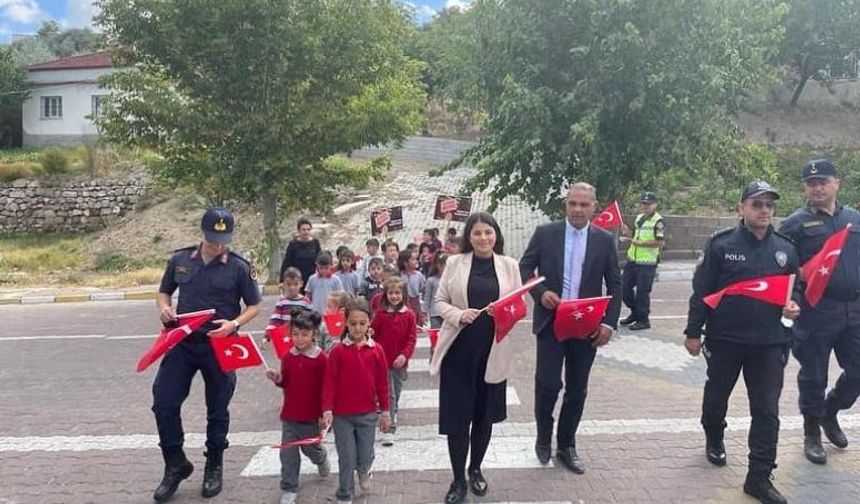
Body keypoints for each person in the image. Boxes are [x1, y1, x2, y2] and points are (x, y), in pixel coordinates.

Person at [685, 181, 800, 504]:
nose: (764, 210)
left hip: (769, 342)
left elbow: (796, 289)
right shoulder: (721, 245)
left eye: (769, 205)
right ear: (742, 208)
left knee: (766, 410)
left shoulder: (785, 248)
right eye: (756, 204)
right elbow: (702, 292)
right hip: (726, 339)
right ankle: (714, 435)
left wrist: (794, 305)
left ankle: (759, 477)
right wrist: (693, 332)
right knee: (717, 396)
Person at [151, 207, 261, 501]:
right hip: (184, 343)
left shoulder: (239, 266)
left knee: (217, 407)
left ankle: (214, 464)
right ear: (203, 233)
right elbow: (164, 292)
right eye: (213, 238)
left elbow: (254, 305)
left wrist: (234, 323)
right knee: (163, 401)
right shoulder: (180, 260)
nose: (218, 244)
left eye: (224, 239)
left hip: (220, 344)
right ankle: (175, 463)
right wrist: (164, 308)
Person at [519, 182, 621, 473]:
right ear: (566, 204)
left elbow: (615, 283)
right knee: (548, 383)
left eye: (583, 205)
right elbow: (525, 268)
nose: (577, 210)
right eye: (572, 204)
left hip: (586, 326)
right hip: (551, 322)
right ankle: (543, 437)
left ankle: (566, 445)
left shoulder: (603, 240)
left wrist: (609, 324)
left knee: (577, 389)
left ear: (594, 206)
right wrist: (540, 293)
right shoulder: (546, 233)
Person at [429, 212, 523, 504]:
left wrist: (504, 311)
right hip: (459, 353)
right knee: (458, 419)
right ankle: (457, 479)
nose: (483, 238)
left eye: (488, 232)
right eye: (477, 233)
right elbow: (438, 301)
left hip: (492, 352)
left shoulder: (509, 266)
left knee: (484, 416)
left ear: (496, 235)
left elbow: (520, 307)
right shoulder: (455, 263)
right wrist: (459, 314)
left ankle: (475, 469)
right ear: (469, 237)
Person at [778, 159, 860, 465]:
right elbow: (783, 267)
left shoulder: (855, 219)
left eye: (823, 181)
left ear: (837, 183)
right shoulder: (795, 224)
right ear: (805, 187)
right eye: (811, 183)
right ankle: (812, 433)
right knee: (813, 375)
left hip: (854, 308)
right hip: (815, 310)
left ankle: (830, 410)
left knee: (858, 371)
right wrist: (792, 296)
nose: (818, 187)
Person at [322, 299, 391, 503]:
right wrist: (327, 410)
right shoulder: (337, 351)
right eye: (353, 323)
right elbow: (329, 383)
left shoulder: (376, 350)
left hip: (368, 414)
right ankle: (344, 493)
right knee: (346, 457)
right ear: (346, 324)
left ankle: (364, 471)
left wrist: (385, 412)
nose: (358, 328)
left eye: (362, 323)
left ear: (369, 323)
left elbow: (383, 384)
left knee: (366, 454)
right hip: (342, 416)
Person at [265, 309, 330, 504]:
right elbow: (286, 383)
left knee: (310, 449)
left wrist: (323, 414)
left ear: (314, 335)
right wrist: (278, 378)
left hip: (311, 416)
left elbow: (326, 388)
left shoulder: (321, 359)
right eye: (295, 334)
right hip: (290, 415)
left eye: (304, 334)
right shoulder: (287, 357)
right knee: (288, 454)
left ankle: (321, 458)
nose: (299, 339)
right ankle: (289, 487)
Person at [370, 277, 418, 446]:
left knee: (396, 391)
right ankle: (387, 425)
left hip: (400, 362)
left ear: (403, 295)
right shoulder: (381, 315)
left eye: (397, 293)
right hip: (382, 362)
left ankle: (393, 411)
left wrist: (405, 355)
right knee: (387, 392)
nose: (394, 296)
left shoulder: (409, 315)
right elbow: (372, 333)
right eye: (391, 293)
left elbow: (412, 339)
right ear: (386, 295)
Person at [620, 191, 665, 330]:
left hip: (647, 263)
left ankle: (643, 320)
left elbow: (660, 242)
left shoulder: (658, 221)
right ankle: (635, 312)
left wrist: (641, 244)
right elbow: (636, 235)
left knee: (642, 292)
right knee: (623, 288)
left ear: (655, 205)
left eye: (649, 204)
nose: (645, 206)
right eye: (643, 203)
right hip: (633, 260)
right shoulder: (639, 218)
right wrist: (628, 233)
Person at [264, 267, 312, 343]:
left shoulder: (306, 302)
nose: (292, 287)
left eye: (295, 284)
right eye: (289, 284)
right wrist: (268, 334)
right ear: (284, 285)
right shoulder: (282, 302)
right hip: (285, 340)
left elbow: (311, 321)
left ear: (301, 284)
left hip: (301, 340)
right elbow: (275, 320)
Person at [279, 218, 322, 293]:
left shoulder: (315, 243)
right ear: (299, 231)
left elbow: (320, 260)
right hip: (296, 279)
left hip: (312, 278)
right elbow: (286, 262)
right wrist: (282, 281)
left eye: (308, 229)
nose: (306, 232)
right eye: (304, 230)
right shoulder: (293, 244)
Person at [306, 251, 344, 315]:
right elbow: (308, 295)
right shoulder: (312, 278)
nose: (323, 270)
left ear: (331, 266)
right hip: (315, 312)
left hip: (331, 312)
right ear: (317, 265)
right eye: (321, 268)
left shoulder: (336, 280)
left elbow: (341, 296)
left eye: (326, 268)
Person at [399, 249, 426, 325]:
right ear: (405, 263)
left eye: (416, 259)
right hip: (404, 303)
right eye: (413, 259)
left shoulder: (418, 275)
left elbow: (422, 290)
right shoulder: (400, 276)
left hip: (416, 303)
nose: (416, 261)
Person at [424, 253, 448, 330]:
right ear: (439, 266)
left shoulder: (450, 280)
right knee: (436, 332)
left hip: (447, 312)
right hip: (434, 313)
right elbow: (427, 297)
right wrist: (425, 312)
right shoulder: (431, 280)